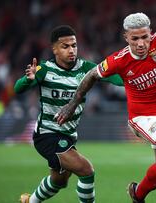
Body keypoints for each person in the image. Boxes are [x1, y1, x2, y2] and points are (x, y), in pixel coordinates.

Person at [55, 12, 156, 203]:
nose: (141, 44)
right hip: (144, 117)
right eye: (135, 39)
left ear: (150, 33)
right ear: (126, 37)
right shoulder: (119, 60)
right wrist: (72, 104)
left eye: (144, 37)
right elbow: (91, 75)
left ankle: (137, 193)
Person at [15, 25, 123, 203]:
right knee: (86, 170)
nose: (71, 50)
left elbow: (114, 78)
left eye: (74, 45)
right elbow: (18, 89)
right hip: (47, 134)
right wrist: (28, 80)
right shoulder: (45, 70)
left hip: (69, 135)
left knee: (59, 181)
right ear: (54, 49)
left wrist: (132, 78)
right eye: (65, 46)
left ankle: (29, 201)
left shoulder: (86, 68)